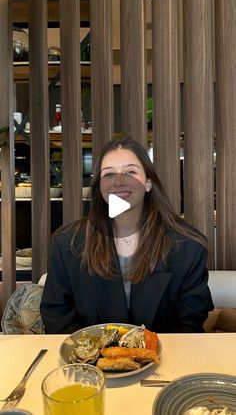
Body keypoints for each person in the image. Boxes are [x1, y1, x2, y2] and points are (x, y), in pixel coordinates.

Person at [40, 137, 214, 334]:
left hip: (165, 359)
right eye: (109, 174)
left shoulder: (188, 247)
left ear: (148, 183)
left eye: (130, 172)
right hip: (86, 362)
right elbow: (57, 319)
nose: (119, 182)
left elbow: (189, 326)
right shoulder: (67, 244)